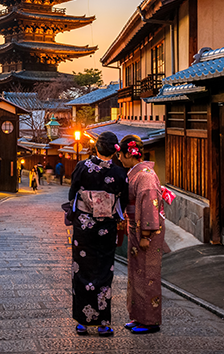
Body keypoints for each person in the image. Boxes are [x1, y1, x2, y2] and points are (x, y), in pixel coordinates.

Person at [68, 131, 128, 337]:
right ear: (114, 151)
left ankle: (82, 323)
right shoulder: (120, 173)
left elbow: (73, 194)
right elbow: (123, 201)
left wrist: (81, 211)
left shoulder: (81, 167)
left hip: (84, 227)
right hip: (106, 228)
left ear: (96, 147)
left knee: (82, 270)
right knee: (104, 272)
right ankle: (103, 323)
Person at [118, 134, 174, 335]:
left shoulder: (145, 176)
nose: (119, 159)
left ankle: (150, 320)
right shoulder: (137, 173)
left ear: (128, 154)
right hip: (136, 227)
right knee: (136, 272)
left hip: (146, 231)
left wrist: (145, 235)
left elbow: (149, 207)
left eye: (121, 155)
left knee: (148, 273)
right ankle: (139, 316)